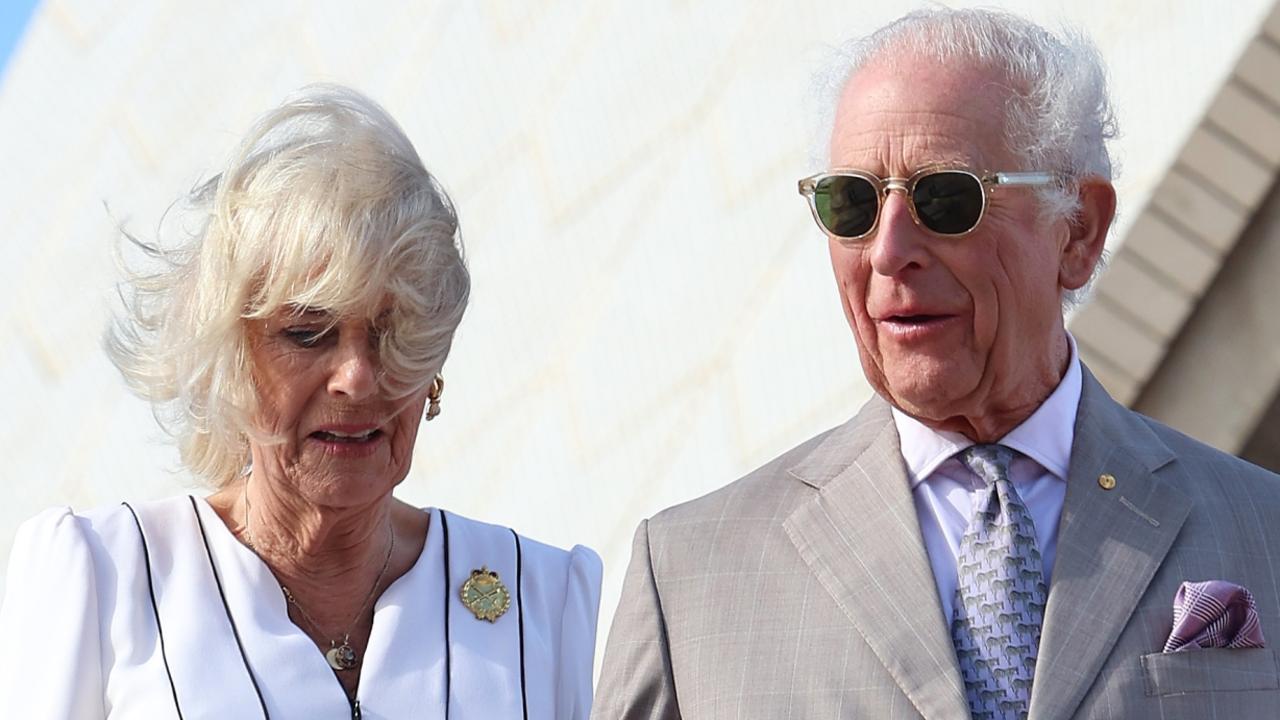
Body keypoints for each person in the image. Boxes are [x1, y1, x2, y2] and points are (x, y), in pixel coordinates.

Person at [593, 8, 1280, 719]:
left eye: (945, 197)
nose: (889, 251)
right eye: (851, 202)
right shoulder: (689, 578)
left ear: (1077, 230)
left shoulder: (1264, 531)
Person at [0, 85, 602, 718]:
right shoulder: (105, 579)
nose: (357, 377)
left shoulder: (542, 599)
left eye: (391, 334)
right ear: (229, 357)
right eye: (307, 333)